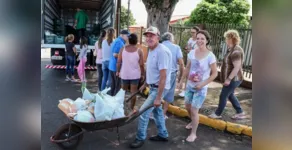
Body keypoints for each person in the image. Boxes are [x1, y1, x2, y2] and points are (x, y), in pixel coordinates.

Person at [130, 26, 172, 148]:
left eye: (152, 36)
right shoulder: (151, 49)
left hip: (160, 87)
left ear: (158, 37)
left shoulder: (162, 52)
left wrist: (159, 97)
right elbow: (153, 71)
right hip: (153, 86)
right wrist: (145, 83)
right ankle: (163, 134)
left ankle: (140, 138)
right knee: (158, 113)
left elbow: (163, 76)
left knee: (143, 113)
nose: (149, 38)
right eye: (147, 36)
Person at [177, 30, 218, 142]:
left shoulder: (210, 56)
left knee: (194, 110)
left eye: (202, 39)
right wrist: (181, 81)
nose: (200, 41)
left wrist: (203, 84)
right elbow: (188, 68)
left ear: (207, 41)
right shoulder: (192, 53)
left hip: (201, 88)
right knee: (187, 106)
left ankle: (193, 133)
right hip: (190, 86)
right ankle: (193, 121)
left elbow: (215, 74)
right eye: (198, 38)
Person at [208, 30, 247, 119]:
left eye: (227, 38)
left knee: (223, 95)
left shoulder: (236, 51)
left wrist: (228, 79)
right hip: (233, 78)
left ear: (232, 39)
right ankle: (240, 112)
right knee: (230, 95)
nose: (226, 40)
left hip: (234, 79)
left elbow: (237, 67)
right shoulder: (232, 49)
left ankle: (217, 114)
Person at [116, 33, 145, 110]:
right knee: (133, 92)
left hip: (124, 74)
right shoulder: (139, 51)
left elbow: (119, 62)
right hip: (135, 75)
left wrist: (118, 71)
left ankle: (120, 107)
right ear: (136, 41)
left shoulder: (122, 49)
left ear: (128, 40)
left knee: (122, 92)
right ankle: (131, 108)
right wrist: (143, 74)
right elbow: (142, 64)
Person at [161, 32, 184, 119]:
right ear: (171, 39)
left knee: (157, 93)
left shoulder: (158, 46)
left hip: (159, 74)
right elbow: (181, 64)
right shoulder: (176, 47)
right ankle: (163, 114)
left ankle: (154, 112)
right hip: (171, 74)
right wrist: (180, 77)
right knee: (169, 94)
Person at [179, 26, 201, 97]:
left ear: (197, 32)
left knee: (195, 75)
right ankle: (185, 90)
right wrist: (187, 49)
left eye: (194, 32)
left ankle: (194, 90)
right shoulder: (190, 39)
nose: (192, 34)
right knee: (187, 74)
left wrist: (191, 50)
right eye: (191, 32)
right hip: (189, 58)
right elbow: (188, 47)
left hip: (196, 60)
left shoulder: (199, 41)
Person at [108, 30, 130, 96]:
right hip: (116, 67)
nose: (128, 38)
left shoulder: (117, 41)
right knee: (117, 86)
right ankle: (114, 101)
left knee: (113, 85)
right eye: (127, 36)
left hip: (112, 66)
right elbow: (115, 54)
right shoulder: (119, 42)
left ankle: (111, 100)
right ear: (122, 35)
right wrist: (125, 55)